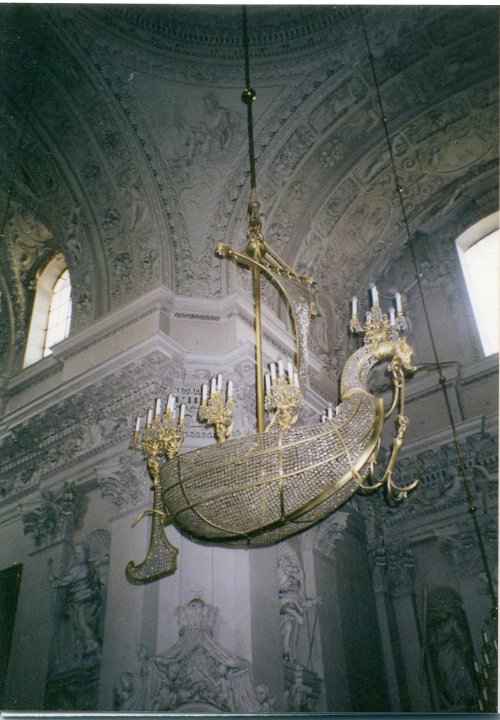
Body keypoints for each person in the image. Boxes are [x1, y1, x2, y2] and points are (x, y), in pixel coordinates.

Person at [50, 543, 102, 660]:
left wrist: (54, 582)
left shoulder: (80, 568)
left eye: (79, 553)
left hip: (84, 601)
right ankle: (85, 650)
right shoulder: (89, 567)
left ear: (86, 553)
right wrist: (55, 580)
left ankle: (95, 648)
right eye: (76, 553)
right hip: (82, 601)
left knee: (83, 625)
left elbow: (65, 582)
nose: (77, 555)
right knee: (80, 627)